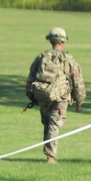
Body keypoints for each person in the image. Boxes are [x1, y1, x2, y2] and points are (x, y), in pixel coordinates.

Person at [25, 27, 86, 163]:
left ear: (50, 40)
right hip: (61, 98)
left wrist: (32, 97)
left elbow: (31, 79)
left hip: (43, 96)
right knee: (54, 125)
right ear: (63, 41)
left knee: (47, 124)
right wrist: (80, 102)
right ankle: (50, 157)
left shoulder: (41, 58)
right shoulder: (69, 60)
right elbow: (78, 83)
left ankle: (48, 153)